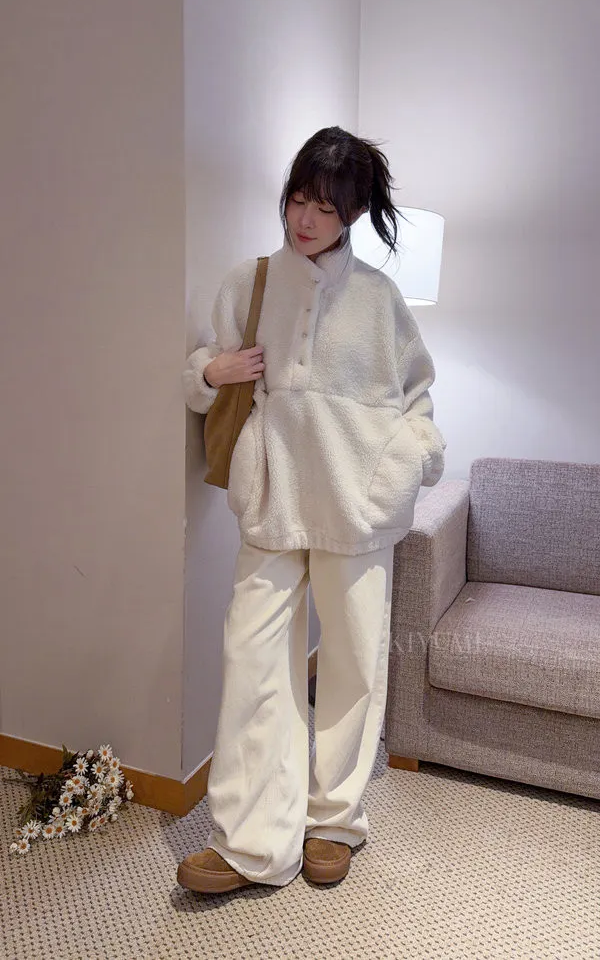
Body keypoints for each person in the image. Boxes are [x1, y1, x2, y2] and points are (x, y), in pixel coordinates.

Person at [178, 126, 446, 894]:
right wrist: (211, 371)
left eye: (325, 207)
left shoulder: (380, 300)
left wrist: (404, 466)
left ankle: (333, 819)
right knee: (252, 658)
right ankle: (252, 840)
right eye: (299, 199)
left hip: (357, 509)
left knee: (354, 662)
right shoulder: (250, 282)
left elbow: (420, 401)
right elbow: (202, 371)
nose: (305, 219)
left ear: (353, 212)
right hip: (273, 501)